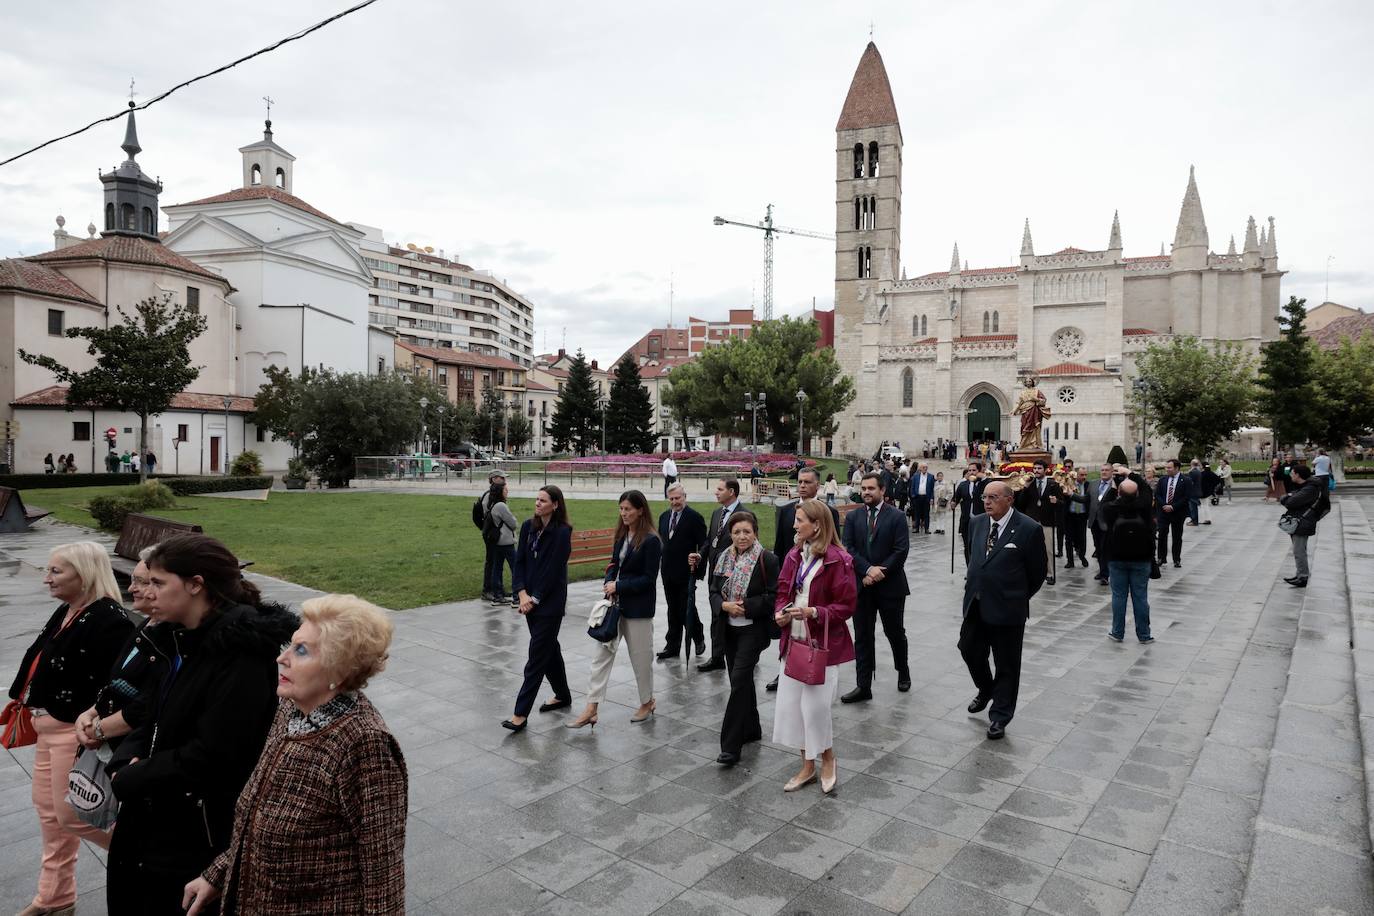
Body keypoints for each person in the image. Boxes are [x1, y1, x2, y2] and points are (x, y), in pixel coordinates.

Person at [106, 534, 297, 915]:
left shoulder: (242, 654)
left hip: (195, 831)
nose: (146, 591)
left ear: (196, 585)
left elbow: (216, 754)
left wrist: (134, 776)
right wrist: (126, 756)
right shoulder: (179, 639)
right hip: (155, 810)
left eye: (159, 583)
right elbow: (152, 713)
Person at [182, 594, 406, 915]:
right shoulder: (292, 708)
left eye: (300, 650)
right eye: (290, 644)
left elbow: (383, 873)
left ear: (338, 670)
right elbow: (258, 811)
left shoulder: (365, 744)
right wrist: (218, 874)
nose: (281, 658)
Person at [9, 542, 132, 916]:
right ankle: (55, 897)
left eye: (55, 571)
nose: (46, 578)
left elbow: (120, 683)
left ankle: (146, 853)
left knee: (72, 815)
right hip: (48, 728)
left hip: (75, 733)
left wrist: (99, 724)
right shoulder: (69, 609)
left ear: (84, 573)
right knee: (50, 815)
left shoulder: (110, 619)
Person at [772, 500, 858, 794]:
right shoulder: (794, 554)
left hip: (821, 645)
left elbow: (846, 606)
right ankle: (808, 766)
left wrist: (815, 612)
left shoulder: (838, 559)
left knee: (816, 709)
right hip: (793, 641)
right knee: (794, 710)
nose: (794, 526)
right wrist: (780, 611)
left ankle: (828, 758)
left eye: (799, 520)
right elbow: (783, 589)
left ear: (817, 525)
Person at [959, 482, 1047, 739]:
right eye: (985, 497)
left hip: (1008, 608)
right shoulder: (976, 523)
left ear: (1009, 500)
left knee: (1007, 664)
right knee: (968, 649)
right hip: (976, 603)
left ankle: (1000, 715)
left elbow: (1038, 573)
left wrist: (1016, 596)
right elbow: (973, 558)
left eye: (993, 497)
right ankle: (986, 689)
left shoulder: (1029, 529)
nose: (987, 502)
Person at [569, 490, 661, 728]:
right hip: (615, 607)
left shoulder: (651, 540)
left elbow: (648, 579)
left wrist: (618, 585)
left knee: (641, 660)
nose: (624, 514)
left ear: (640, 510)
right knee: (601, 656)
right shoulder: (622, 536)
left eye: (628, 509)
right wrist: (609, 581)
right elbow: (614, 563)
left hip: (638, 610)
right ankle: (592, 707)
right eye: (621, 509)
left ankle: (647, 701)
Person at [75, 551, 169, 755]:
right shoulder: (146, 624)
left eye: (142, 582)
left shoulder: (170, 638)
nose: (131, 588)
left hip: (131, 752)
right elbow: (117, 683)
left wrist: (99, 729)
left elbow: (146, 704)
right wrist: (91, 712)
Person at [710, 511, 780, 766]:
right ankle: (752, 728)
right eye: (737, 532)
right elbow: (713, 591)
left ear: (755, 533)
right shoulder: (722, 558)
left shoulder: (768, 560)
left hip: (752, 630)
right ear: (731, 534)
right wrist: (724, 606)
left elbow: (774, 597)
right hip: (728, 629)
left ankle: (730, 746)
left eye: (746, 532)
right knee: (740, 680)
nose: (742, 537)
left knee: (738, 681)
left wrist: (746, 606)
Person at [504, 485, 574, 730]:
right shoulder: (527, 527)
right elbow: (519, 561)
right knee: (549, 649)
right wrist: (521, 592)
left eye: (543, 500)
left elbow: (553, 571)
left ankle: (520, 714)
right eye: (537, 499)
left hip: (549, 604)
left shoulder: (563, 532)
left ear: (555, 504)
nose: (538, 504)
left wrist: (534, 598)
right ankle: (563, 695)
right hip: (528, 601)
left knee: (536, 656)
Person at [765, 469, 840, 692]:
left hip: (815, 583)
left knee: (811, 634)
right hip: (791, 581)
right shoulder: (787, 510)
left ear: (818, 486)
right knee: (789, 632)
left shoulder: (829, 512)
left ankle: (812, 668)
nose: (802, 486)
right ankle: (785, 671)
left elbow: (833, 545)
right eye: (799, 482)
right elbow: (780, 546)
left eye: (808, 482)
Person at [841, 473, 911, 701]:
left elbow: (901, 551)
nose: (866, 492)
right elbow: (848, 548)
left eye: (871, 488)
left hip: (890, 586)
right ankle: (863, 685)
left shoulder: (897, 516)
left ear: (882, 490)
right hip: (862, 584)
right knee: (862, 635)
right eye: (863, 488)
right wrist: (867, 570)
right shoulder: (853, 517)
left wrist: (879, 572)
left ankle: (903, 670)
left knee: (895, 632)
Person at [656, 483, 708, 660]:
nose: (674, 502)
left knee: (685, 608)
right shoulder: (663, 517)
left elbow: (704, 544)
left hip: (687, 572)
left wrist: (698, 559)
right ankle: (672, 645)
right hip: (668, 572)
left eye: (677, 498)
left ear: (684, 496)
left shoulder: (694, 518)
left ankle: (698, 636)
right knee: (672, 609)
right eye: (671, 499)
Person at [1102, 474, 1156, 643]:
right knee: (1140, 597)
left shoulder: (1112, 508)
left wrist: (1113, 486)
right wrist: (1133, 476)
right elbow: (1147, 492)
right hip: (1141, 558)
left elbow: (1103, 504)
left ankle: (1117, 632)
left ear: (1119, 492)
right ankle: (1144, 635)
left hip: (1117, 558)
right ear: (1137, 493)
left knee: (1119, 596)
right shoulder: (1144, 507)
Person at [698, 479, 743, 673]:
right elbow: (711, 541)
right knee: (716, 615)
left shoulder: (744, 514)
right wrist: (700, 555)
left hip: (734, 577)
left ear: (731, 492)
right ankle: (717, 657)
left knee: (734, 616)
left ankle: (742, 653)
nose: (716, 492)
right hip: (714, 574)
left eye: (720, 489)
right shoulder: (717, 513)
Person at [1280, 464, 1330, 589]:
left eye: (1292, 473)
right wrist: (1288, 497)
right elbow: (1289, 497)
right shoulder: (1304, 486)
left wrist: (1288, 498)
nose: (1290, 475)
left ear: (1297, 475)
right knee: (1299, 550)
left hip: (1303, 522)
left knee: (1299, 550)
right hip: (1300, 520)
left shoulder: (1310, 488)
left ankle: (1302, 577)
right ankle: (1300, 574)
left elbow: (1290, 502)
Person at [1014, 459, 1062, 584]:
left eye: (1039, 468)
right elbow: (1020, 503)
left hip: (1047, 520)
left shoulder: (1053, 484)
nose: (1036, 471)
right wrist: (1025, 487)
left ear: (1045, 470)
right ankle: (1030, 572)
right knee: (1028, 548)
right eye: (1035, 468)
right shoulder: (1029, 484)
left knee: (1048, 549)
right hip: (1031, 520)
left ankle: (1050, 574)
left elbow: (1063, 503)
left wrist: (1056, 502)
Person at [483, 480, 520, 607]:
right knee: (516, 568)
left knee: (497, 569)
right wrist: (514, 519)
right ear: (500, 492)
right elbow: (513, 524)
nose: (507, 491)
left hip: (497, 542)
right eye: (505, 489)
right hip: (506, 542)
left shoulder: (492, 504)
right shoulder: (501, 506)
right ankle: (517, 597)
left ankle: (497, 596)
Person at [1154, 459, 1191, 569]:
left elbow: (1187, 497)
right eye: (1166, 467)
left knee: (1177, 536)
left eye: (1169, 468)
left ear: (1177, 468)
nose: (1167, 469)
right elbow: (1158, 494)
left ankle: (1176, 559)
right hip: (1163, 512)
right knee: (1162, 535)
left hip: (1178, 513)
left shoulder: (1185, 480)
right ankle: (1161, 558)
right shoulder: (1163, 480)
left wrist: (1173, 506)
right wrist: (1164, 505)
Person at [953, 465, 988, 563]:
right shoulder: (963, 485)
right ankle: (969, 568)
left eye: (974, 470)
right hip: (966, 519)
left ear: (979, 471)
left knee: (981, 544)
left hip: (981, 519)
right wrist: (953, 503)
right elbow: (956, 498)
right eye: (970, 470)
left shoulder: (984, 483)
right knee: (967, 545)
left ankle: (980, 567)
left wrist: (983, 478)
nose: (972, 472)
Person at [1087, 464, 1114, 584]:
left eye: (1107, 470)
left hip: (1107, 522)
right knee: (1098, 548)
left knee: (1105, 548)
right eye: (1102, 470)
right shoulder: (1093, 484)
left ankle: (1105, 575)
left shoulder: (1115, 485)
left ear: (1112, 472)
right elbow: (1086, 499)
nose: (1104, 472)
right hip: (1094, 521)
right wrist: (1071, 495)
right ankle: (1102, 570)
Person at [1063, 468, 1091, 570]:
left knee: (1082, 538)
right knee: (1068, 539)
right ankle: (1070, 561)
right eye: (1081, 475)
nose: (1084, 477)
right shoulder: (1069, 484)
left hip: (1082, 515)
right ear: (1076, 475)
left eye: (1085, 475)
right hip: (1070, 515)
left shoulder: (1088, 485)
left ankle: (1082, 556)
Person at [909, 462, 936, 534]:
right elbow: (913, 486)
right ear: (920, 468)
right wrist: (913, 495)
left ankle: (926, 528)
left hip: (926, 497)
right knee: (917, 513)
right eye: (923, 467)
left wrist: (932, 498)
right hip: (917, 497)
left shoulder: (931, 476)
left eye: (926, 467)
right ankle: (916, 528)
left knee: (926, 513)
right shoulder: (916, 476)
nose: (925, 469)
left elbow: (932, 488)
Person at [1185, 459, 1204, 526]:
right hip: (1197, 491)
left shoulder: (1192, 472)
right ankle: (1193, 520)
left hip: (1193, 492)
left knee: (1192, 508)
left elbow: (1190, 482)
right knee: (1194, 507)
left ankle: (1194, 521)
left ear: (1191, 464)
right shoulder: (1198, 471)